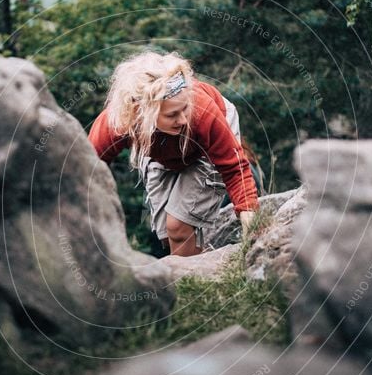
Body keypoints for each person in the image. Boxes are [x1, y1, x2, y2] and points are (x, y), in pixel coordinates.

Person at [88, 51, 259, 257]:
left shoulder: (201, 112)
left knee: (178, 225)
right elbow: (86, 167)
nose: (183, 119)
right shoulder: (119, 122)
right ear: (141, 114)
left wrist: (252, 225)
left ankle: (189, 285)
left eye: (184, 108)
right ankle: (193, 279)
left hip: (205, 146)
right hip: (161, 151)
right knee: (166, 233)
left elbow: (233, 169)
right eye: (172, 114)